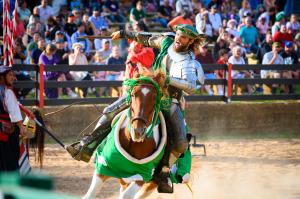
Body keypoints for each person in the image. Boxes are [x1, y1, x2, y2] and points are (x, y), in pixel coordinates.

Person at [66, 24, 205, 193]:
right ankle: (88, 145)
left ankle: (164, 172)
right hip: (149, 88)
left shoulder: (189, 62)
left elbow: (191, 86)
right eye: (178, 35)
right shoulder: (166, 43)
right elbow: (145, 38)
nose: (178, 39)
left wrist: (167, 79)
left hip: (170, 101)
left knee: (181, 142)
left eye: (183, 37)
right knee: (110, 111)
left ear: (190, 41)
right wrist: (125, 34)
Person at [0, 66, 26, 172]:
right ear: (2, 77)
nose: (13, 77)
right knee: (10, 157)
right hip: (7, 131)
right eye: (10, 75)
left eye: (13, 75)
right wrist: (21, 127)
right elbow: (14, 112)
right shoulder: (7, 92)